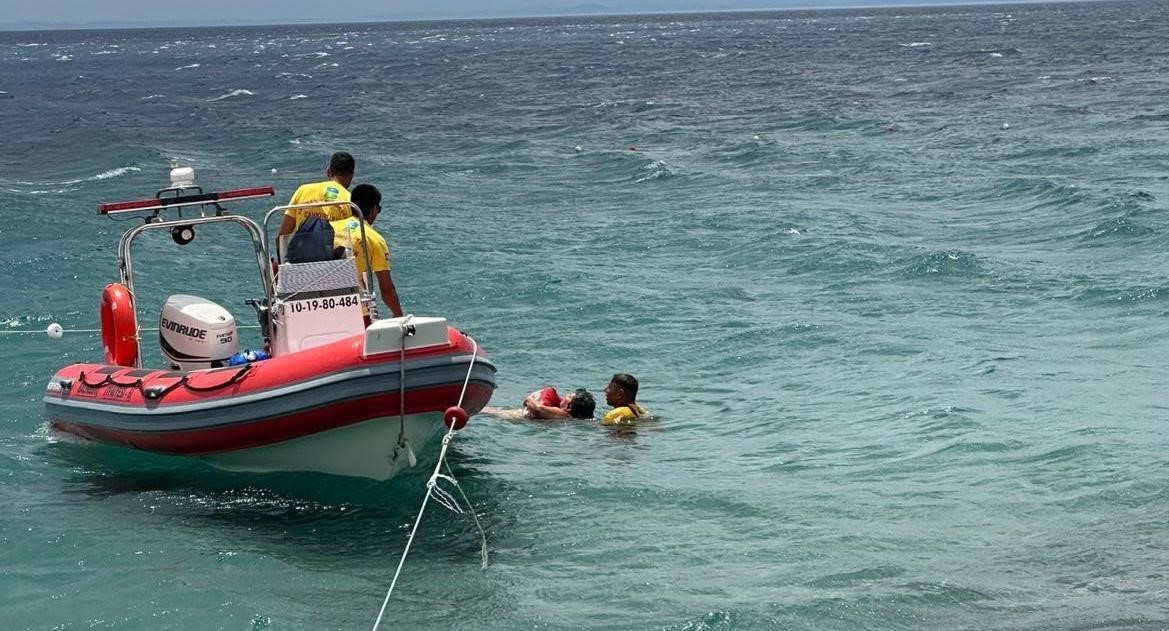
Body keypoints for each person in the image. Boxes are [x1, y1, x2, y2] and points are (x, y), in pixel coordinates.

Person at [331, 183, 403, 319]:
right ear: (374, 209)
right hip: (356, 310)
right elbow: (386, 288)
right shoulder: (374, 239)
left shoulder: (329, 228)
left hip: (326, 304)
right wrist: (398, 314)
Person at [276, 151, 356, 244]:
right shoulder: (350, 200)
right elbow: (354, 239)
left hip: (302, 255)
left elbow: (282, 237)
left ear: (328, 171)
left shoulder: (302, 190)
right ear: (350, 176)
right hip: (332, 257)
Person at [522, 386, 596, 420]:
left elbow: (538, 409)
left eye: (569, 396)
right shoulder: (571, 417)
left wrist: (528, 399)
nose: (566, 395)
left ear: (568, 408)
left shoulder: (562, 414)